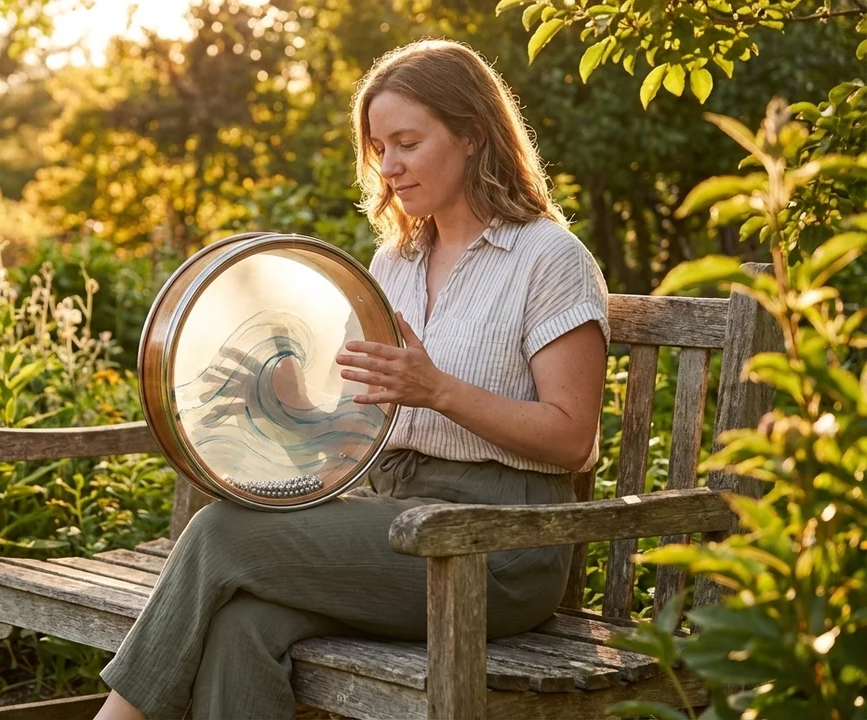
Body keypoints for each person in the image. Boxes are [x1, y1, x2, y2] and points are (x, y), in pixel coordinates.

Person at [95, 38, 610, 720]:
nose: (389, 167)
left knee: (221, 535)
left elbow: (572, 438)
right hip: (390, 518)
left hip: (501, 543)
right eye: (379, 148)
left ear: (472, 136)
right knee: (240, 627)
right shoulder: (394, 260)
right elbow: (355, 423)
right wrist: (284, 403)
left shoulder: (549, 258)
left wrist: (438, 389)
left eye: (406, 142)